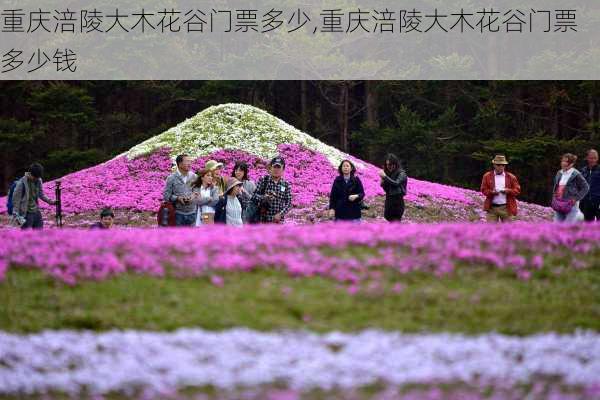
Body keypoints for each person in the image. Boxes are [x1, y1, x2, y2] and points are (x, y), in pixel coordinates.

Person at [10, 163, 57, 229]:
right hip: (26, 213)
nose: (36, 179)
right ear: (30, 173)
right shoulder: (21, 183)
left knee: (39, 234)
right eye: (35, 177)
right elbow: (15, 200)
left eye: (38, 177)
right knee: (27, 236)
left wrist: (51, 202)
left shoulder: (38, 180)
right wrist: (17, 216)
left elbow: (41, 194)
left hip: (36, 211)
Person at [480, 155, 521, 222]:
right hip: (492, 208)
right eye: (498, 165)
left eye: (503, 165)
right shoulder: (487, 176)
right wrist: (492, 192)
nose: (501, 167)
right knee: (490, 230)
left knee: (508, 231)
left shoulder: (511, 177)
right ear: (494, 165)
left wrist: (508, 191)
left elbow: (517, 190)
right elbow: (483, 190)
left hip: (506, 208)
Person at [251, 156, 293, 223]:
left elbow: (289, 203)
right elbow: (254, 196)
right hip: (263, 221)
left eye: (279, 167)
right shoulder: (264, 180)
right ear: (270, 168)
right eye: (274, 167)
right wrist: (264, 197)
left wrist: (280, 214)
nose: (276, 169)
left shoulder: (286, 184)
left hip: (278, 222)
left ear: (283, 170)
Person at [552, 153, 589, 223]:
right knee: (556, 227)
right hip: (559, 204)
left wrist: (576, 198)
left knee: (567, 228)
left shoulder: (576, 174)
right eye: (562, 161)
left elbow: (586, 187)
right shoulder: (559, 173)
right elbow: (556, 186)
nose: (563, 163)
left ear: (571, 164)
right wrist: (554, 197)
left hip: (571, 206)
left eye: (566, 161)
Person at [163, 154, 197, 227]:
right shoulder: (171, 178)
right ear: (180, 164)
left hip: (193, 213)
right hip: (178, 214)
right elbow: (166, 196)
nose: (190, 163)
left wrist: (192, 196)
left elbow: (197, 191)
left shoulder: (194, 176)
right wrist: (178, 198)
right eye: (187, 161)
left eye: (190, 161)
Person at [379, 154, 407, 222]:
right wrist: (382, 182)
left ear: (395, 164)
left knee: (396, 221)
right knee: (387, 216)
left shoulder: (402, 173)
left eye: (390, 164)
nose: (389, 166)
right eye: (387, 164)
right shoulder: (389, 174)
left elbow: (396, 183)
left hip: (397, 200)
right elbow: (386, 189)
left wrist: (385, 177)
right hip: (389, 200)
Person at [580, 149, 600, 222]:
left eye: (595, 158)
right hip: (586, 203)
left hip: (598, 202)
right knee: (587, 226)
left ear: (597, 158)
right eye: (591, 158)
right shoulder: (583, 170)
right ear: (587, 158)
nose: (593, 160)